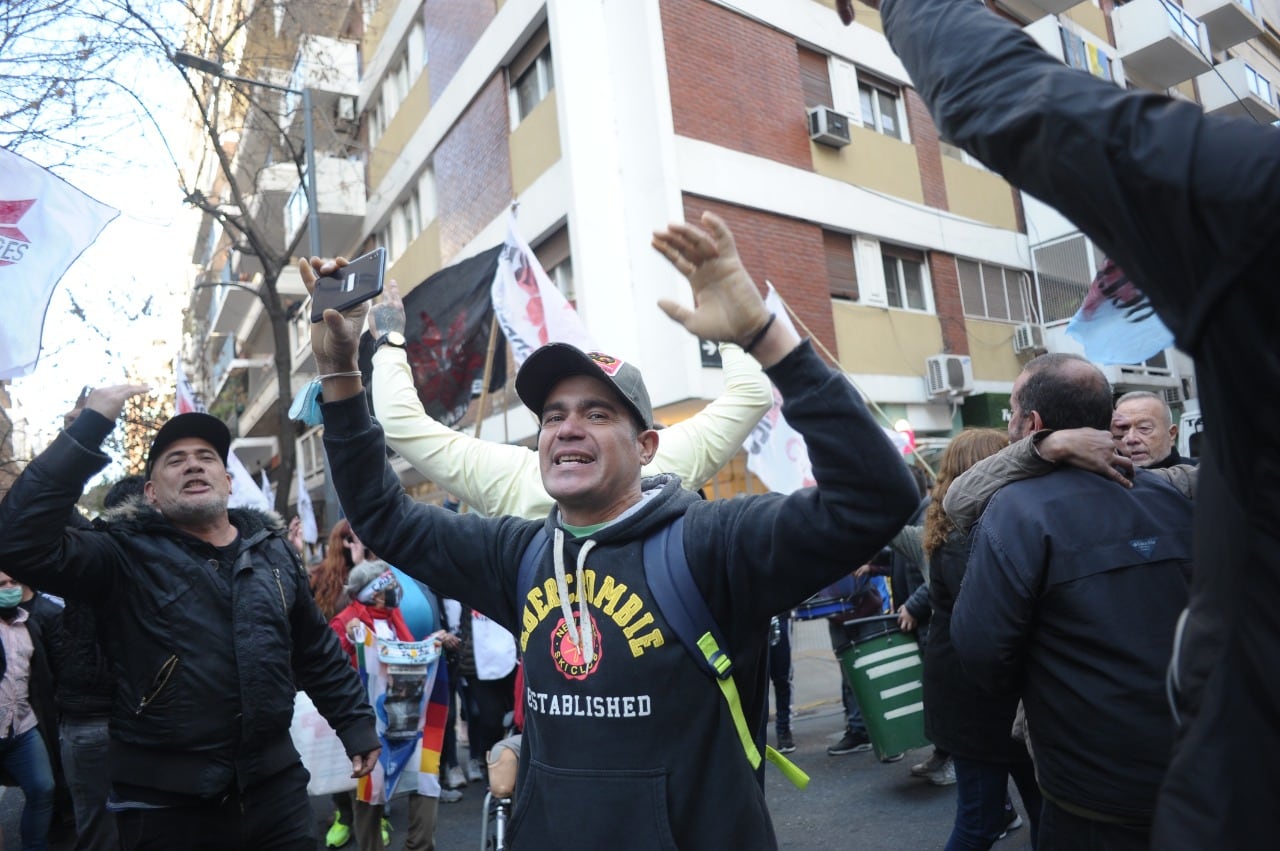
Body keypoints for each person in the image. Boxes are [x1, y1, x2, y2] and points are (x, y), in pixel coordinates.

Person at [304, 210, 920, 848]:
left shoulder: (711, 544)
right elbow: (381, 516)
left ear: (648, 445)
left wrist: (765, 338)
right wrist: (343, 374)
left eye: (597, 413)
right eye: (553, 416)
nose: (568, 427)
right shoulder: (519, 554)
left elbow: (875, 499)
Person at [834, 0, 1280, 844]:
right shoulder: (1173, 492)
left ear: (1031, 417)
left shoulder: (1044, 510)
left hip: (1117, 796)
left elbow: (975, 618)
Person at [0, 403, 380, 849]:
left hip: (275, 789)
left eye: (206, 456)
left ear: (227, 480)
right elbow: (16, 539)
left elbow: (315, 651)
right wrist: (89, 429)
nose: (194, 464)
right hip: (166, 803)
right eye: (175, 460)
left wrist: (355, 723)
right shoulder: (119, 556)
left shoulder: (274, 553)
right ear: (151, 493)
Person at [948, 354, 1192, 847]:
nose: (1007, 423)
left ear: (1030, 424)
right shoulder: (1173, 501)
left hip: (1089, 794)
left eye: (1011, 412)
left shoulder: (1016, 513)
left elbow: (982, 653)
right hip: (1197, 775)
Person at [917, 429, 1036, 848]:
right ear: (982, 469)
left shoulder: (967, 529)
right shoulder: (963, 539)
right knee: (980, 820)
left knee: (1045, 812)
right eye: (1004, 460)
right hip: (978, 704)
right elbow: (997, 620)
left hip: (989, 701)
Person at [331, 561, 443, 851]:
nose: (396, 590)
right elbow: (330, 670)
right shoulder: (345, 622)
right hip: (371, 724)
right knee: (371, 794)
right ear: (374, 594)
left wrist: (434, 643)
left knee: (426, 781)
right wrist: (348, 640)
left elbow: (410, 654)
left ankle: (420, 846)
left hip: (410, 720)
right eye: (389, 585)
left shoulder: (395, 618)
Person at [0, 570, 56, 851]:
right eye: (1, 584)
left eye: (13, 582)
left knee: (42, 788)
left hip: (22, 726)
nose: (10, 588)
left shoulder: (25, 624)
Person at [1111, 391, 1187, 469]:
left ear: (1171, 434)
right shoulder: (1107, 478)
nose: (1131, 439)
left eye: (1144, 428)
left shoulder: (1194, 474)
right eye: (1123, 429)